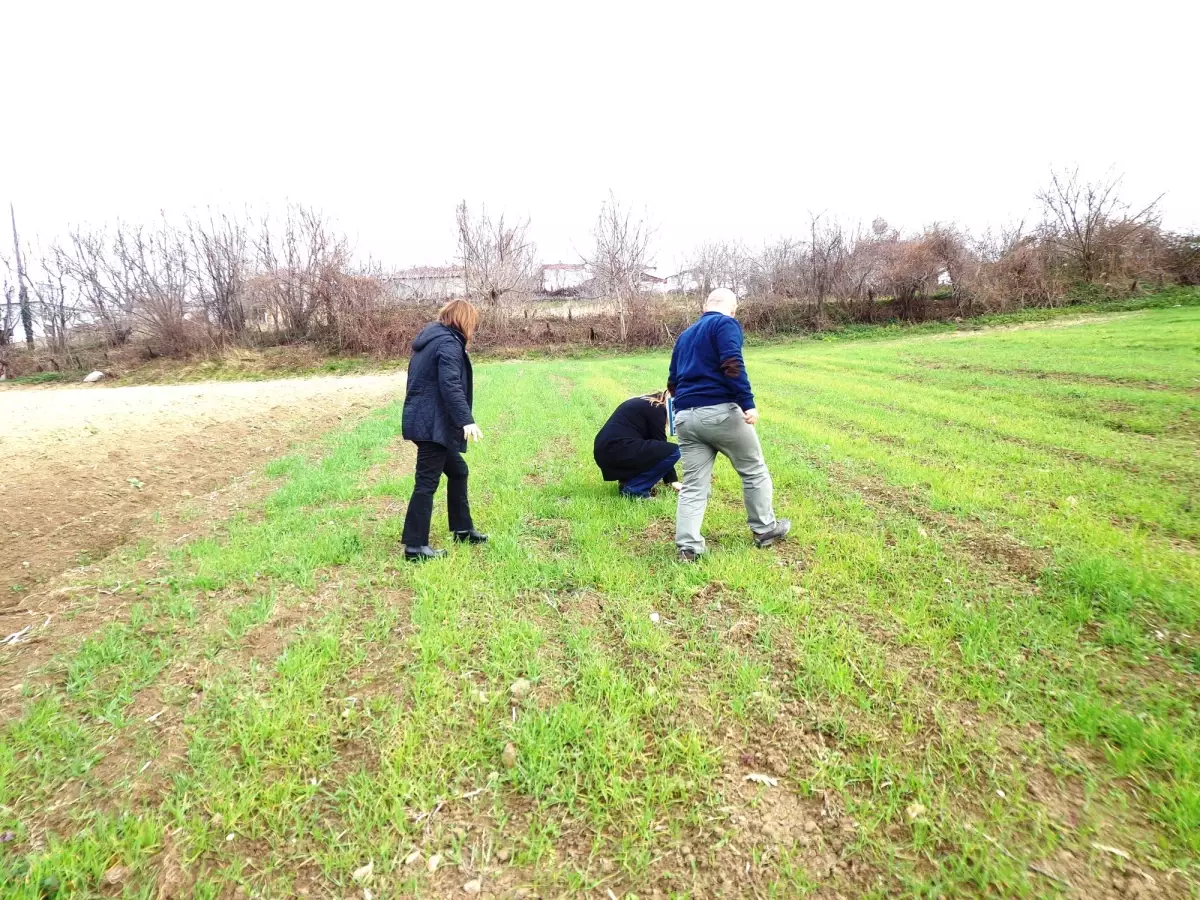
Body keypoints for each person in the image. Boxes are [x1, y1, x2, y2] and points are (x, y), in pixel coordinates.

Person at [668, 288, 790, 562]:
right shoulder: (725, 324)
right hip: (721, 412)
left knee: (693, 485)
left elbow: (673, 381)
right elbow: (732, 363)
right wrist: (747, 403)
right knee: (753, 469)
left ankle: (688, 547)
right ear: (733, 309)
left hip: (686, 417)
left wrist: (687, 407)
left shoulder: (685, 336)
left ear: (705, 306)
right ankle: (765, 529)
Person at [399, 299, 488, 562]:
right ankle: (415, 548)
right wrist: (466, 420)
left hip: (424, 421)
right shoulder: (448, 343)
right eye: (473, 324)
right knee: (426, 482)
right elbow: (450, 385)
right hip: (431, 425)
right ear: (464, 320)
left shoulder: (431, 340)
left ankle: (462, 529)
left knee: (458, 470)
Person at [593, 391, 682, 499]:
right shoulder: (656, 409)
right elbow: (664, 449)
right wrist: (673, 481)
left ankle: (629, 482)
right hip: (615, 449)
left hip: (608, 450)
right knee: (674, 451)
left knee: (651, 449)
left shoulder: (648, 402)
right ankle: (635, 489)